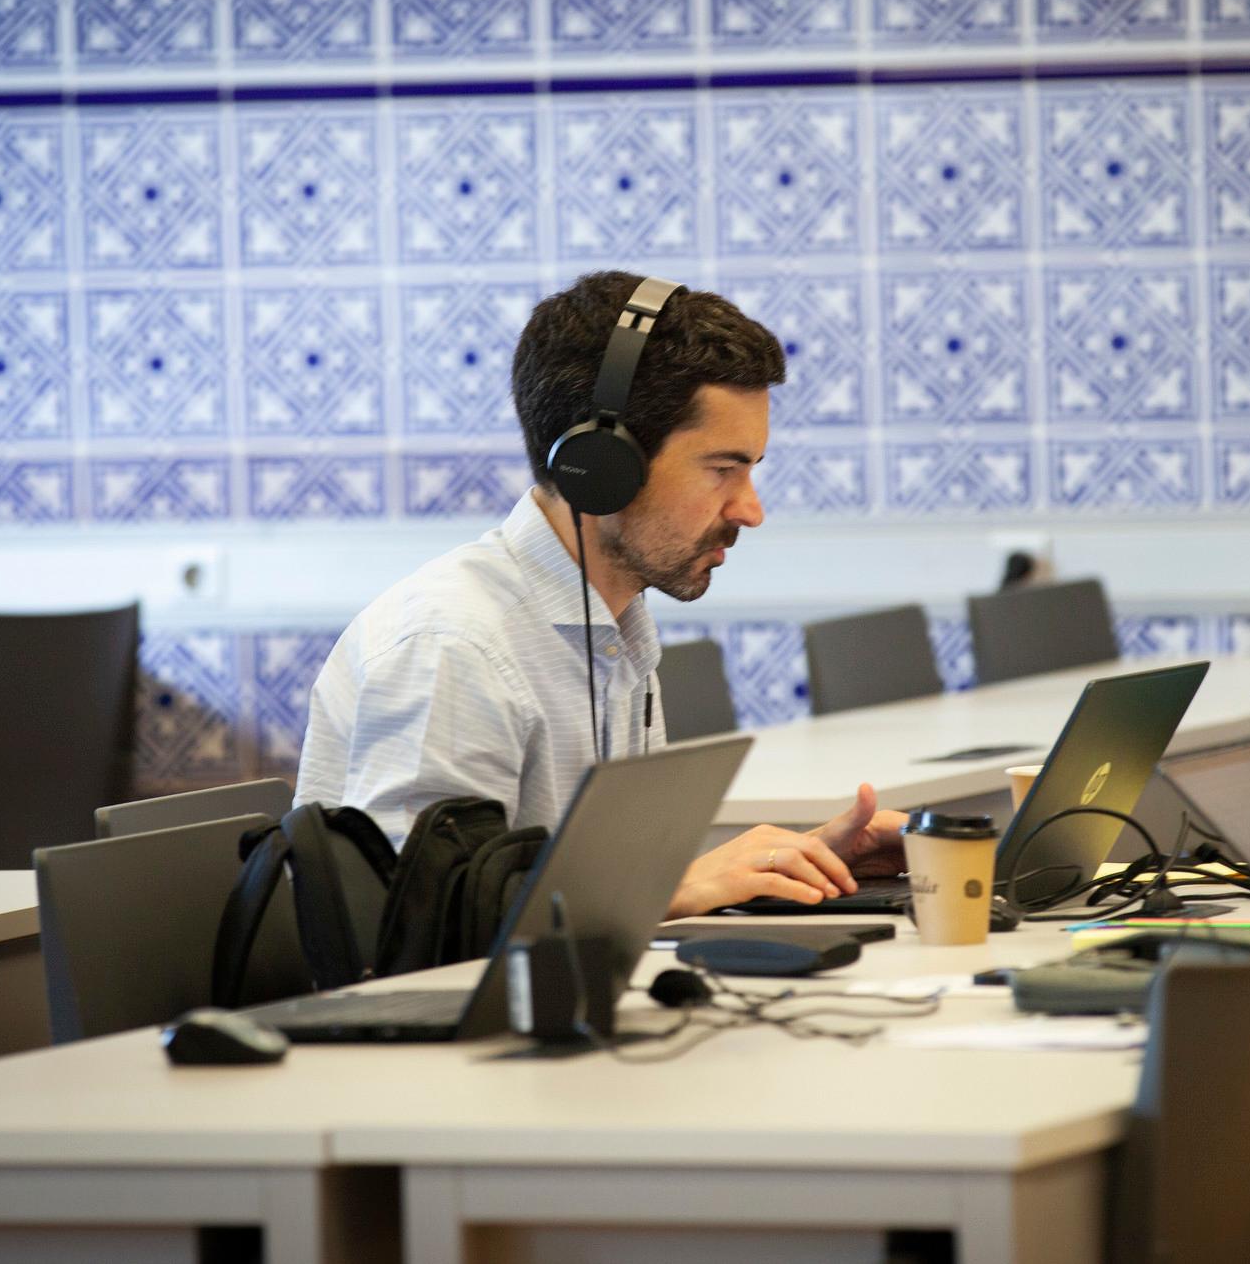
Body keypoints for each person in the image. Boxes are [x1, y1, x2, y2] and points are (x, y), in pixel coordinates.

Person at [295, 271, 906, 919]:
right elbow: (412, 928)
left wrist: (789, 862)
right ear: (602, 466)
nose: (750, 509)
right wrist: (677, 888)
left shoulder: (616, 627)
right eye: (723, 469)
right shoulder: (452, 645)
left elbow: (590, 888)